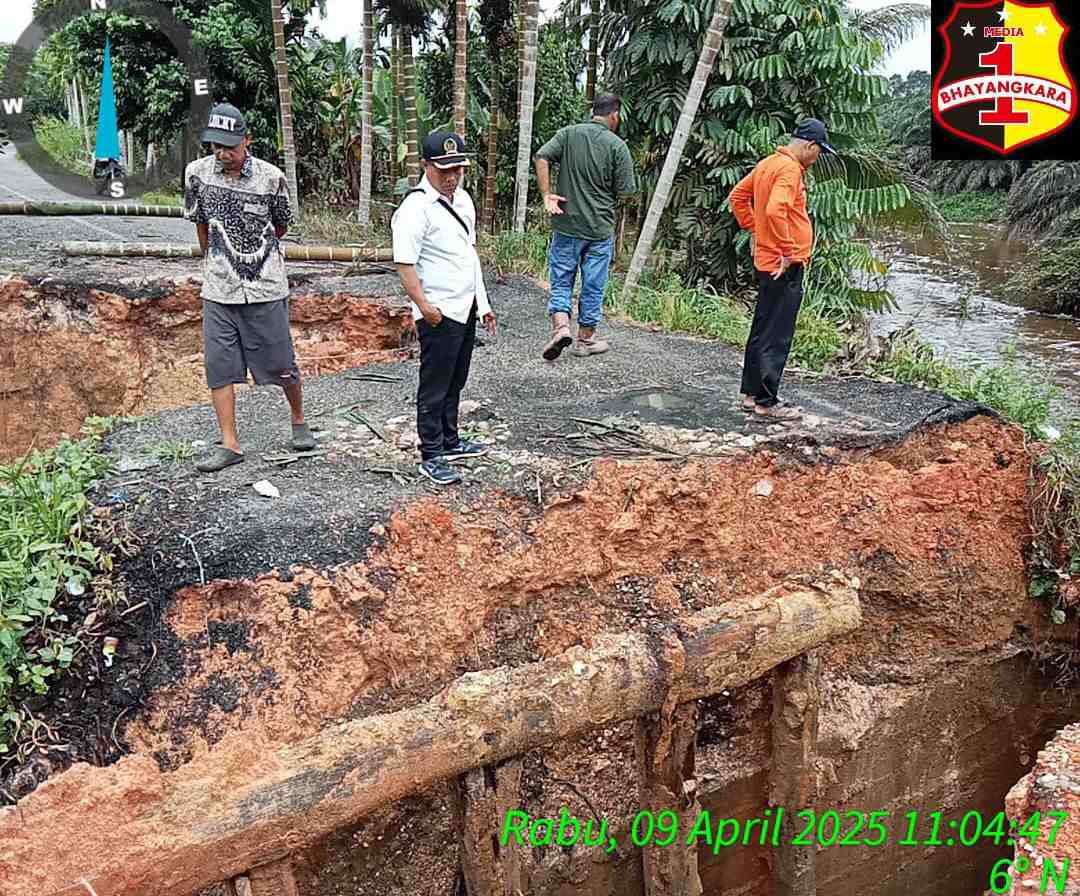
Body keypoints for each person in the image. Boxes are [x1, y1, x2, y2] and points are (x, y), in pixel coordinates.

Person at [183, 103, 316, 473]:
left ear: (247, 140)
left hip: (265, 287)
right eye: (216, 146)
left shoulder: (271, 178)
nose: (222, 153)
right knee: (219, 366)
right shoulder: (196, 174)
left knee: (281, 363)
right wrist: (215, 261)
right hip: (218, 288)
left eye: (229, 146)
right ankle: (230, 443)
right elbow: (200, 223)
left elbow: (281, 225)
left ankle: (299, 420)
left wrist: (254, 255)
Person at [392, 132, 497, 486]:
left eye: (458, 169)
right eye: (444, 170)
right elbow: (405, 264)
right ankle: (431, 453)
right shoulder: (415, 209)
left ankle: (450, 440)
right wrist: (424, 307)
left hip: (465, 307)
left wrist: (483, 304)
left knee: (456, 379)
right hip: (438, 311)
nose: (452, 177)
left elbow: (469, 255)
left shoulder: (463, 201)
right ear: (426, 166)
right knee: (434, 384)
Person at [728, 118, 836, 422]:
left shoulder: (768, 163)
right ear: (810, 146)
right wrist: (788, 251)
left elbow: (737, 196)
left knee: (762, 327)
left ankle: (751, 395)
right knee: (777, 333)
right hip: (783, 264)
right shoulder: (789, 169)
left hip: (767, 259)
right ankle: (766, 401)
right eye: (819, 152)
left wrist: (755, 229)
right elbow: (776, 209)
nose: (817, 159)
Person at [534, 94, 637, 361]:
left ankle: (560, 328)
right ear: (614, 115)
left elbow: (541, 156)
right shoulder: (617, 146)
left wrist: (547, 195)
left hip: (566, 223)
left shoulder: (568, 134)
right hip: (599, 229)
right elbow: (626, 191)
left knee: (561, 279)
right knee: (593, 284)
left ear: (593, 112)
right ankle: (585, 340)